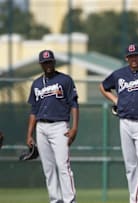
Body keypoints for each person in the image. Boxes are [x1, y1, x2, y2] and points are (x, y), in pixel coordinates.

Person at [99, 43, 138, 203]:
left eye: (136, 55)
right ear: (126, 58)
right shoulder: (119, 74)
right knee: (130, 166)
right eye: (131, 56)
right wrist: (115, 99)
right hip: (125, 123)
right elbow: (103, 86)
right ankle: (135, 199)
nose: (133, 58)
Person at [25, 50, 79, 203]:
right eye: (45, 62)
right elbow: (33, 111)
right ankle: (55, 200)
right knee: (48, 169)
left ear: (54, 62)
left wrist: (74, 128)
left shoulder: (65, 80)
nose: (48, 65)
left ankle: (70, 200)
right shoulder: (36, 84)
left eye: (50, 62)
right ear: (41, 64)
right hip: (41, 127)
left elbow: (74, 104)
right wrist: (29, 135)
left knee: (63, 166)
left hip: (60, 126)